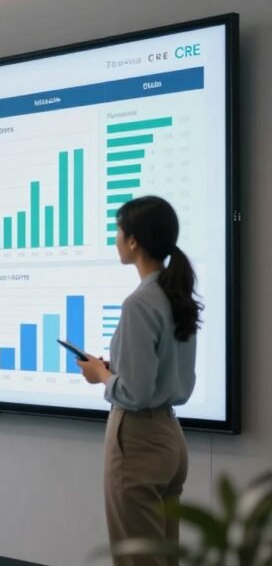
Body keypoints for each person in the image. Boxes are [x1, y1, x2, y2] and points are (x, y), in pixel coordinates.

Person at [77, 196, 201, 566]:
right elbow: (161, 371)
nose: (115, 238)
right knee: (163, 555)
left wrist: (101, 374)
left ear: (134, 241)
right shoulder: (176, 293)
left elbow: (135, 392)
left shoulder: (139, 302)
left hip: (138, 441)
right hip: (170, 440)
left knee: (138, 559)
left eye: (118, 231)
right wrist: (118, 366)